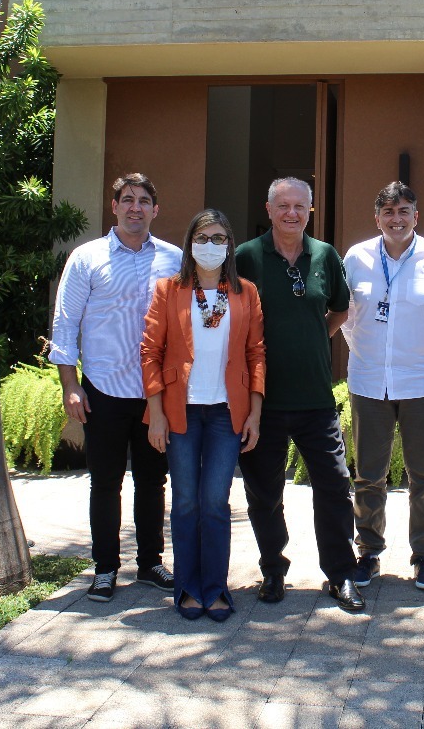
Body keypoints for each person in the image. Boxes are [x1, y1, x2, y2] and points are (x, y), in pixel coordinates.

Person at [235, 177, 365, 613]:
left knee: (333, 486)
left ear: (311, 210)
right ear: (268, 209)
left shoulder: (325, 255)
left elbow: (341, 308)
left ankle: (341, 574)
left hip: (315, 399)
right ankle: (273, 569)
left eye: (300, 206)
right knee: (264, 492)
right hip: (262, 402)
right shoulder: (247, 257)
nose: (292, 213)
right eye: (283, 205)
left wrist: (314, 335)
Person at [49, 173, 179, 602]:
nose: (135, 207)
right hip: (102, 390)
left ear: (155, 210)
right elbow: (65, 325)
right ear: (115, 206)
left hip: (154, 396)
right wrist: (71, 386)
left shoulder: (174, 260)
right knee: (105, 483)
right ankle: (105, 569)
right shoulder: (86, 258)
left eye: (144, 200)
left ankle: (150, 563)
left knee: (152, 482)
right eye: (128, 200)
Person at [142, 209, 266, 622]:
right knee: (185, 503)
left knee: (215, 501)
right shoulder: (168, 290)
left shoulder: (245, 292)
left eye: (218, 238)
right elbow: (150, 353)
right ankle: (187, 589)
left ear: (230, 245)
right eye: (202, 237)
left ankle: (214, 589)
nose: (210, 246)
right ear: (189, 243)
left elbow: (255, 354)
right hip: (182, 411)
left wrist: (255, 412)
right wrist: (155, 413)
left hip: (226, 413)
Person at [341, 182, 424, 591]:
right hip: (370, 381)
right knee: (368, 476)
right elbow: (347, 319)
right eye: (388, 212)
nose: (396, 218)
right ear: (377, 219)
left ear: (416, 216)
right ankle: (368, 552)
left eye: (404, 210)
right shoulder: (355, 258)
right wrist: (371, 355)